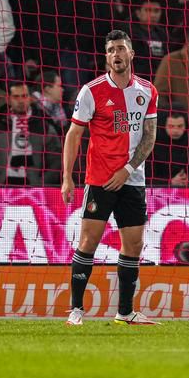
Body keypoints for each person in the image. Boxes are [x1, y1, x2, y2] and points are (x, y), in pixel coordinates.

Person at [61, 30, 159, 326]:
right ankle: (76, 310)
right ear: (107, 57)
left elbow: (150, 137)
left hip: (132, 180)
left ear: (131, 54)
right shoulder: (90, 91)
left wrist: (127, 170)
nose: (115, 55)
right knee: (89, 240)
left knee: (134, 245)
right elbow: (74, 134)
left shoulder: (147, 91)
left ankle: (125, 312)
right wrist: (67, 177)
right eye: (111, 50)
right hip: (100, 179)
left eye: (120, 49)